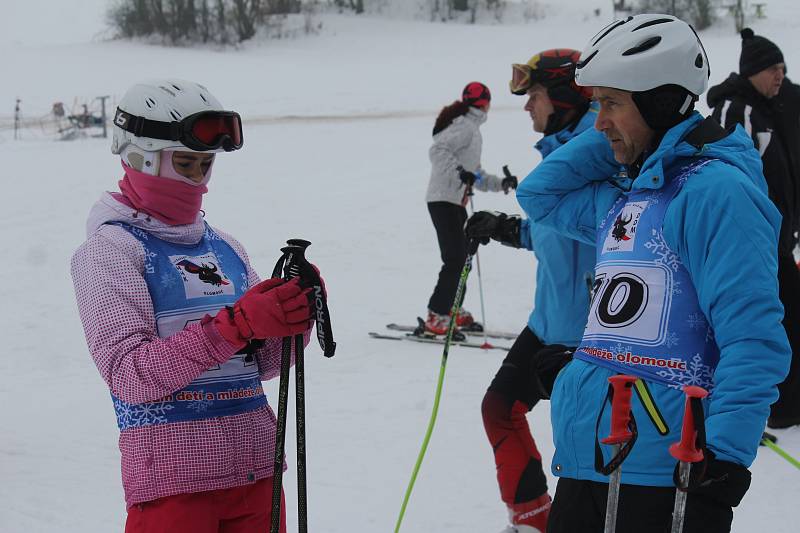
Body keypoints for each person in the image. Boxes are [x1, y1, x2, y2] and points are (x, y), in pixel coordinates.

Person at [516, 15, 790, 533]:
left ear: (662, 102)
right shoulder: (631, 196)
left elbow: (753, 338)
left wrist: (725, 458)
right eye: (597, 105)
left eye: (612, 103)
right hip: (588, 459)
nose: (598, 123)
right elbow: (540, 196)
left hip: (666, 476)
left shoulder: (718, 195)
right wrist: (587, 366)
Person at [71, 79, 317, 533]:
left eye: (206, 165)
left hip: (256, 472)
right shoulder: (111, 251)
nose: (198, 179)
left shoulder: (225, 247)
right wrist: (235, 325)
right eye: (186, 163)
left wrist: (292, 318)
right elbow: (130, 374)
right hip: (174, 483)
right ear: (140, 157)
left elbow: (260, 363)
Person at [463, 49, 602, 533]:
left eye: (535, 96)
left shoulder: (602, 151)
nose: (527, 107)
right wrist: (505, 229)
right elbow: (558, 237)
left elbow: (613, 235)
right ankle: (532, 518)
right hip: (548, 324)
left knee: (585, 455)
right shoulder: (564, 152)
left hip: (589, 339)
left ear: (563, 99)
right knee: (499, 409)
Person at [707, 28, 800, 429]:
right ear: (752, 72)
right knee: (774, 323)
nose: (779, 75)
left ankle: (784, 405)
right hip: (754, 247)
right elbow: (730, 176)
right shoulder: (737, 111)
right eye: (771, 69)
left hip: (777, 242)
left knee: (790, 318)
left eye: (782, 67)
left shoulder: (769, 109)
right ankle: (777, 408)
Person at [424, 82, 518, 335]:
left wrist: (501, 183)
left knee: (464, 257)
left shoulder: (472, 129)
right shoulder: (464, 126)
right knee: (455, 258)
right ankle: (437, 314)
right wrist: (459, 173)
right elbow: (438, 151)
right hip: (442, 199)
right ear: (486, 103)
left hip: (455, 201)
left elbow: (475, 174)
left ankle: (453, 309)